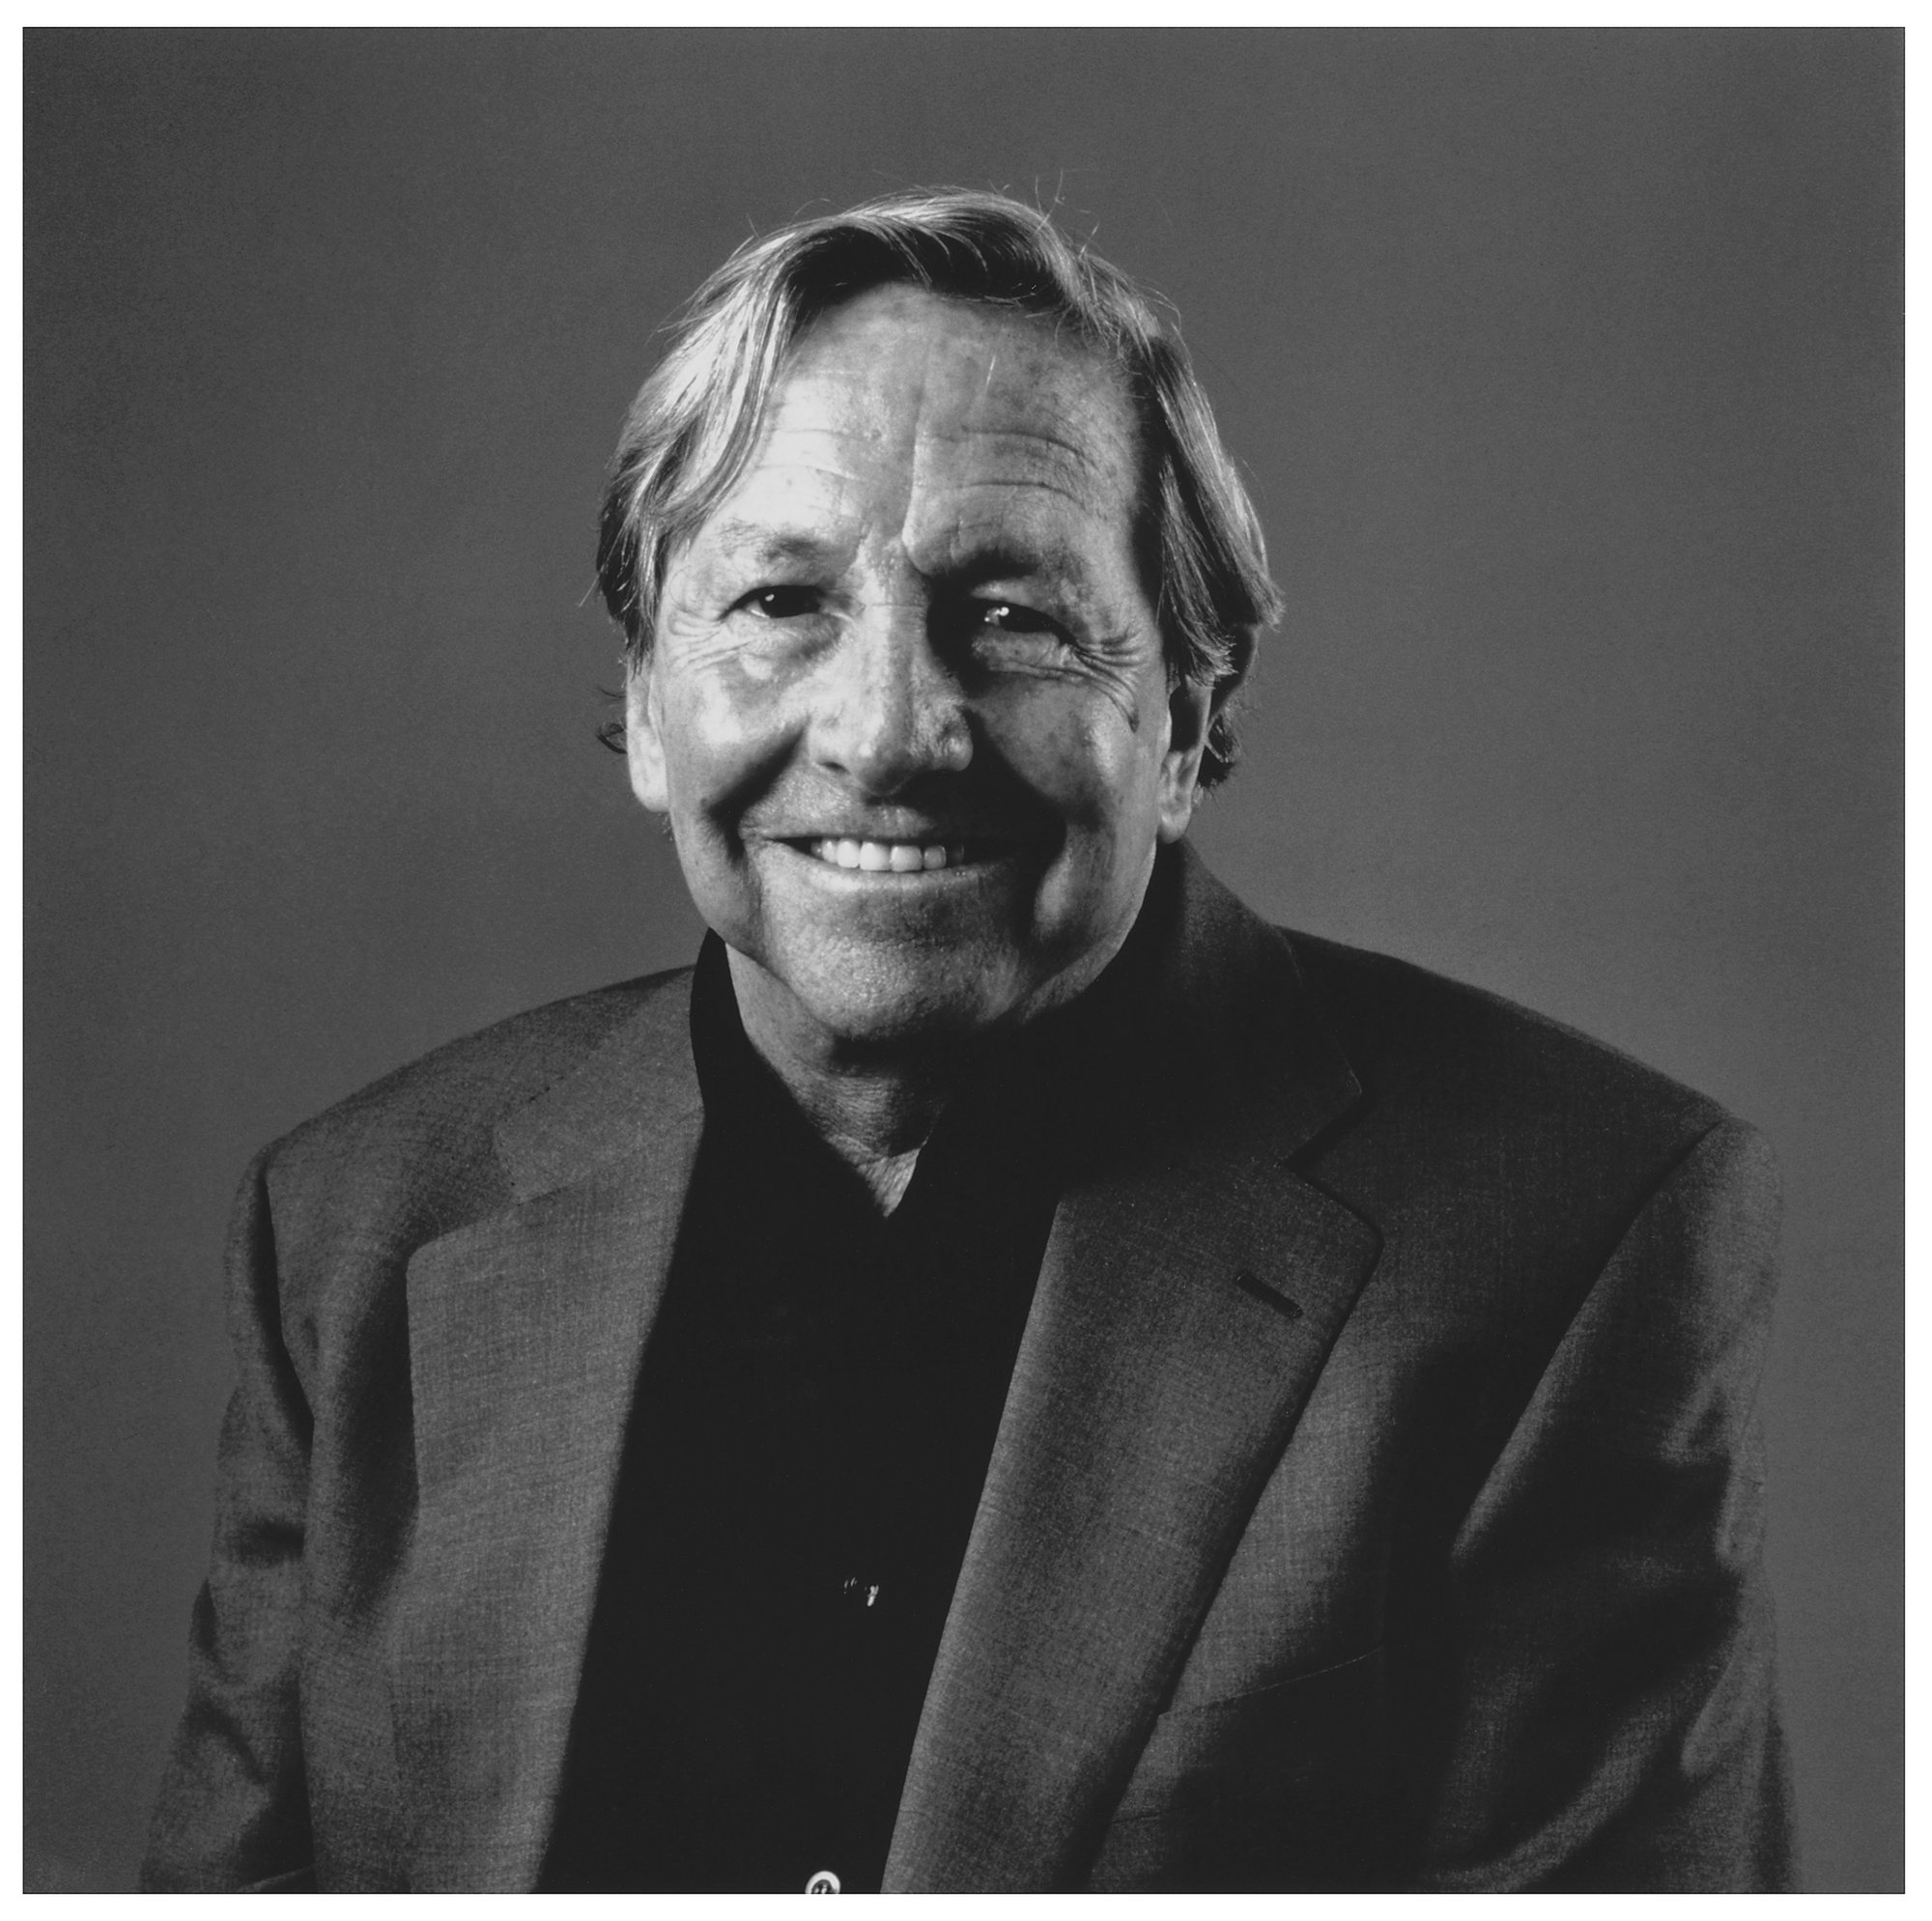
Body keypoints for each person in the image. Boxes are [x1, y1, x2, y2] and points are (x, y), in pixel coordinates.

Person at [142, 188, 1792, 1893]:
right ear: (647, 703)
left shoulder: (1570, 1241)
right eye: (781, 600)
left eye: (1011, 613)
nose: (888, 733)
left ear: (1188, 719)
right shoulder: (356, 1229)